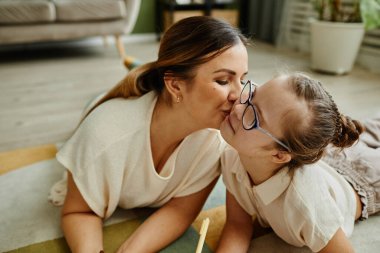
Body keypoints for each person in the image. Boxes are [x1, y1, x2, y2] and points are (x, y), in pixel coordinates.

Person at [50, 16, 249, 253]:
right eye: (224, 80)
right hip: (103, 113)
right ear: (175, 85)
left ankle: (136, 66)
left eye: (243, 79)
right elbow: (79, 210)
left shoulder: (217, 140)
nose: (239, 96)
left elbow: (181, 210)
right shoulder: (104, 136)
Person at [216, 73, 380, 253]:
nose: (238, 108)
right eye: (253, 94)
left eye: (254, 117)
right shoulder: (233, 155)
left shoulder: (305, 205)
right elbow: (238, 225)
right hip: (329, 157)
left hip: (363, 181)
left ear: (279, 155)